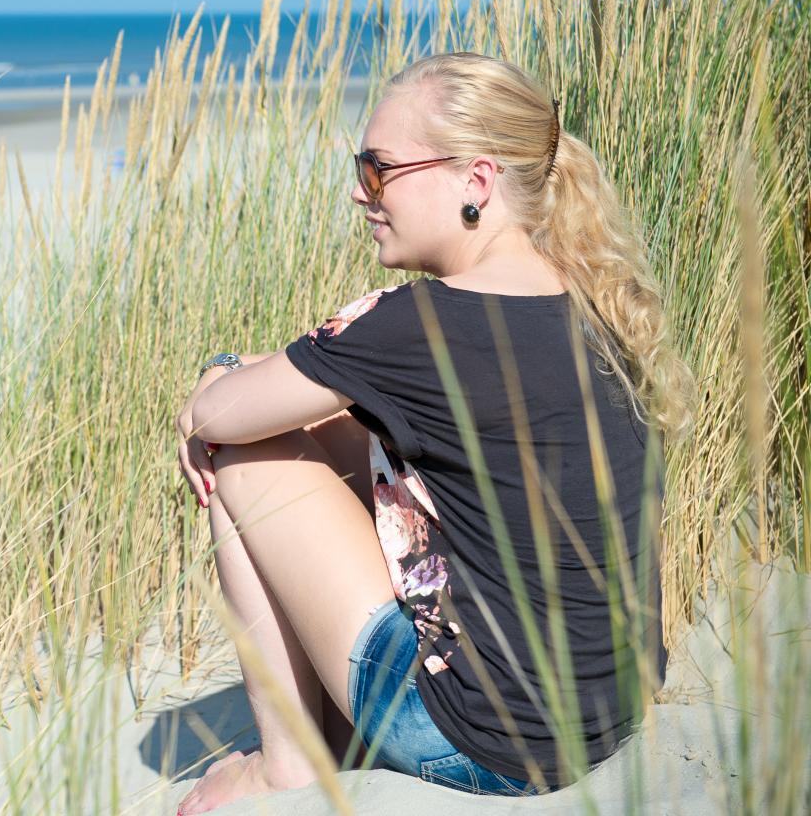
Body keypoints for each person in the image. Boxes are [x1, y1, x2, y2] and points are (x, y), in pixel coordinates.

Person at [172, 52, 697, 814]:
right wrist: (267, 383)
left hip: (479, 743)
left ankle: (283, 764)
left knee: (240, 455)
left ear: (474, 183)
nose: (360, 192)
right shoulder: (581, 301)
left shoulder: (418, 325)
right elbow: (333, 394)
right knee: (343, 427)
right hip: (602, 720)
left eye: (380, 168)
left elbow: (222, 417)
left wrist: (214, 377)